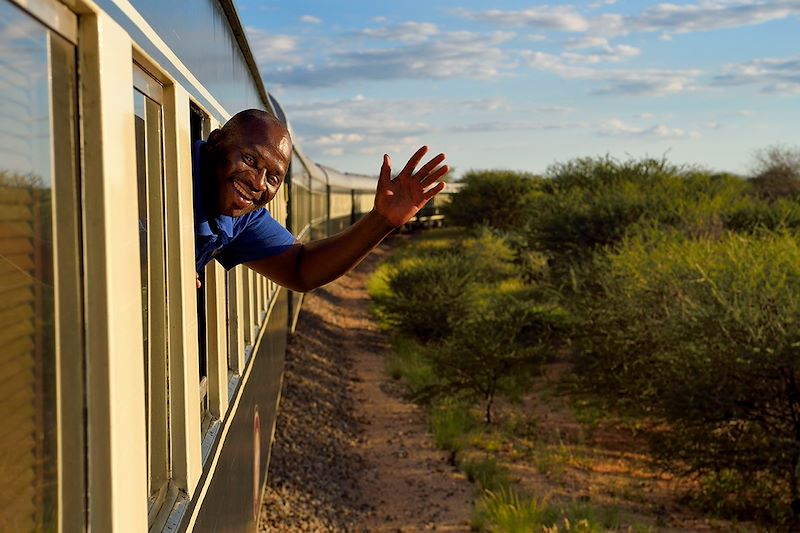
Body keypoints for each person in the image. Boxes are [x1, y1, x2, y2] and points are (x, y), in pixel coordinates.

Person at [193, 109, 448, 290]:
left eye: (272, 178)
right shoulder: (160, 166)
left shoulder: (243, 217)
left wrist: (381, 221)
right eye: (250, 160)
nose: (258, 183)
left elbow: (299, 267)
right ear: (216, 142)